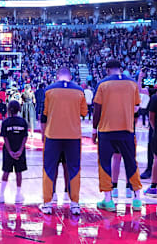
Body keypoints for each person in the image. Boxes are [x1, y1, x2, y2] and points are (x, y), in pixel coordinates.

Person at [92, 60, 143, 212]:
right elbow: (136, 108)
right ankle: (137, 199)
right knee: (131, 163)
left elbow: (97, 109)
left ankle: (108, 200)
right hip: (127, 130)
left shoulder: (103, 84)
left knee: (105, 164)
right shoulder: (132, 84)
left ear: (107, 70)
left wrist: (94, 129)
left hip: (106, 131)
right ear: (120, 69)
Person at [40, 67, 87, 216]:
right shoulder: (79, 91)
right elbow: (84, 112)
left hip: (53, 136)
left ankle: (47, 204)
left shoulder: (49, 90)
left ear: (57, 76)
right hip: (73, 137)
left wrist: (43, 134)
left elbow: (44, 115)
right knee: (74, 169)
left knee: (49, 169)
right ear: (71, 76)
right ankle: (75, 204)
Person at [0, 100, 28, 204]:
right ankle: (18, 195)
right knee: (19, 173)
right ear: (19, 109)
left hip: (8, 152)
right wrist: (20, 150)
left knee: (6, 172)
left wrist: (10, 151)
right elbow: (25, 137)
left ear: (9, 109)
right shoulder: (23, 122)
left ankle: (1, 195)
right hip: (20, 151)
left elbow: (5, 138)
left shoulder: (5, 122)